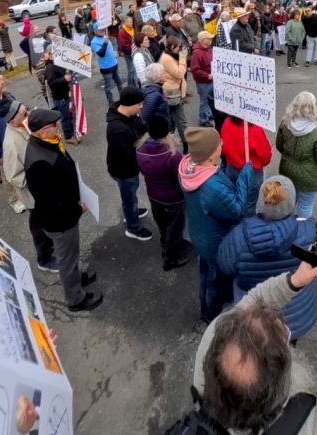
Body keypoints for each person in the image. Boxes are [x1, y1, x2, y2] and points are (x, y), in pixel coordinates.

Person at [176, 255, 317, 434]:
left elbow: (255, 299)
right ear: (281, 389)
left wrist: (294, 281)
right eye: (280, 334)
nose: (278, 320)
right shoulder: (314, 427)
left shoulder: (213, 338)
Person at [216, 176, 317, 340]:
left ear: (261, 203)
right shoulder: (308, 232)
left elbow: (224, 265)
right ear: (292, 203)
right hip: (298, 311)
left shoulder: (239, 236)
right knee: (289, 342)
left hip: (256, 314)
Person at [24, 108, 102, 311]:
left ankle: (76, 279)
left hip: (66, 214)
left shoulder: (47, 143)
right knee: (67, 258)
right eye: (52, 125)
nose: (57, 126)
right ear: (40, 132)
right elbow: (51, 201)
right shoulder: (38, 162)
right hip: (60, 221)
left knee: (72, 253)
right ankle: (75, 298)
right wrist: (76, 210)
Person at [179, 126, 253, 323]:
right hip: (216, 243)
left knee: (205, 271)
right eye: (218, 144)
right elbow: (236, 210)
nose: (222, 145)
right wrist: (246, 174)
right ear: (210, 155)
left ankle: (206, 305)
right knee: (216, 281)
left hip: (200, 235)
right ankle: (210, 316)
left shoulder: (188, 168)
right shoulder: (211, 188)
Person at [136, 116, 193, 270]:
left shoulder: (140, 150)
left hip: (153, 196)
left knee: (162, 225)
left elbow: (142, 170)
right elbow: (181, 178)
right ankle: (170, 260)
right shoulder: (172, 155)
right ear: (167, 132)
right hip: (173, 199)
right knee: (174, 230)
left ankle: (164, 245)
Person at [1, 100, 54, 265]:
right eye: (25, 114)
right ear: (12, 120)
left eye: (28, 110)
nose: (29, 115)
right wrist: (38, 178)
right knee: (39, 226)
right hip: (33, 194)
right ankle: (44, 259)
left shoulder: (24, 127)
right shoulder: (11, 143)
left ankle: (50, 248)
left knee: (47, 222)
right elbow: (12, 175)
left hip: (43, 189)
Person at [106, 87, 154, 241]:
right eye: (139, 104)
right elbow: (128, 156)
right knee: (128, 196)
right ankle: (133, 228)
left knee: (130, 195)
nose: (141, 107)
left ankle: (131, 213)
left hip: (127, 168)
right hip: (124, 170)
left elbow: (140, 127)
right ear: (129, 104)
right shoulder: (118, 129)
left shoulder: (128, 115)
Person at [276, 92, 317, 219]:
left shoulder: (285, 125)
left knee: (289, 201)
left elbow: (279, 146)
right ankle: (301, 234)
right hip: (309, 177)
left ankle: (287, 227)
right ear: (313, 108)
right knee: (305, 206)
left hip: (287, 170)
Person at [220, 115, 272, 213]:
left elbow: (223, 148)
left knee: (234, 198)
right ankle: (247, 225)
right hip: (252, 174)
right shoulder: (256, 130)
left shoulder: (227, 123)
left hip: (231, 168)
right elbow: (266, 158)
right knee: (250, 203)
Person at [160, 36, 189, 149]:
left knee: (172, 119)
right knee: (180, 121)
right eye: (178, 47)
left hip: (174, 91)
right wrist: (182, 58)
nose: (180, 49)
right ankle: (184, 144)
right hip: (172, 93)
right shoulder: (167, 58)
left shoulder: (170, 55)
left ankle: (172, 143)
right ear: (172, 47)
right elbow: (179, 73)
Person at [44, 55, 78, 145]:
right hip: (60, 97)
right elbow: (52, 83)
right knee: (65, 117)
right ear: (50, 55)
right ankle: (68, 137)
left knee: (68, 115)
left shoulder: (57, 63)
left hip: (65, 94)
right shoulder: (50, 67)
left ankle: (71, 133)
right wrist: (64, 78)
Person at [91, 25, 123, 106]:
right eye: (100, 30)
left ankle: (123, 98)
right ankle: (111, 104)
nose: (102, 30)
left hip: (114, 64)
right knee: (108, 87)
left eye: (103, 29)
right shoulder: (94, 42)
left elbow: (110, 50)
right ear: (95, 31)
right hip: (106, 68)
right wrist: (105, 44)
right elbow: (101, 53)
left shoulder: (105, 36)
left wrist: (115, 54)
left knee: (119, 82)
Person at [191, 31, 215, 127]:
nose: (211, 40)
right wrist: (206, 75)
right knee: (204, 101)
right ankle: (203, 120)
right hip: (203, 82)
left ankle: (208, 115)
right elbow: (194, 69)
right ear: (203, 40)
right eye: (209, 38)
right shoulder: (197, 53)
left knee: (210, 99)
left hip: (210, 79)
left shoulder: (207, 49)